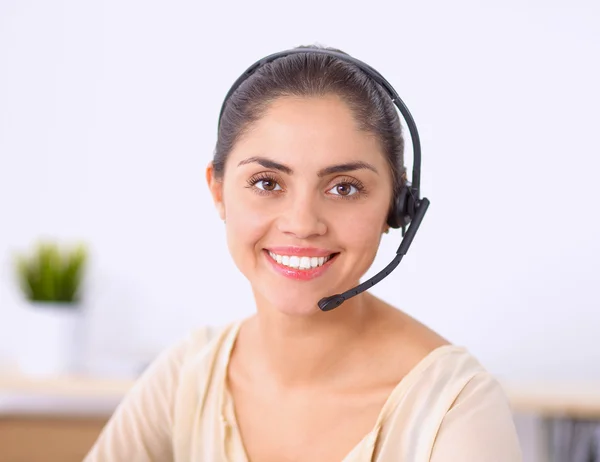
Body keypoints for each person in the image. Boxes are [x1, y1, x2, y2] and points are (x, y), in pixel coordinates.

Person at [84, 45, 522, 461]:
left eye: (344, 187)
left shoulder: (454, 407)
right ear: (218, 192)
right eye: (267, 182)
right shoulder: (188, 376)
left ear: (396, 206)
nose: (302, 223)